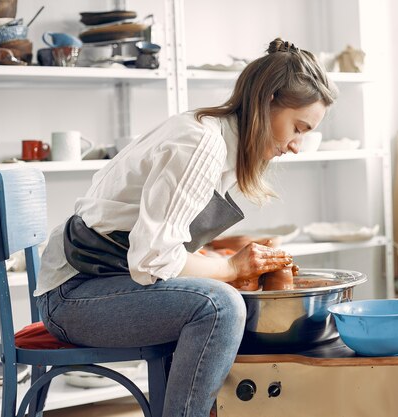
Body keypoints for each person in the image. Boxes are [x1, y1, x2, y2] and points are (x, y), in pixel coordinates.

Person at [35, 38, 337, 417]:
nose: (296, 145)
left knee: (228, 292)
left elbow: (160, 244)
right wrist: (229, 269)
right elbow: (152, 260)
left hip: (103, 282)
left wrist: (229, 264)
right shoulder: (201, 144)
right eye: (298, 127)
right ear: (268, 100)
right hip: (73, 298)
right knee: (221, 305)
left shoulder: (213, 135)